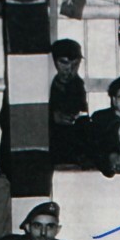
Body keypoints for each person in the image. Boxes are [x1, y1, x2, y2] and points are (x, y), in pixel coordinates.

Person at [48, 38, 91, 166]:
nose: (70, 69)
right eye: (64, 63)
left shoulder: (77, 85)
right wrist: (51, 117)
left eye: (75, 64)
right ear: (53, 62)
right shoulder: (43, 83)